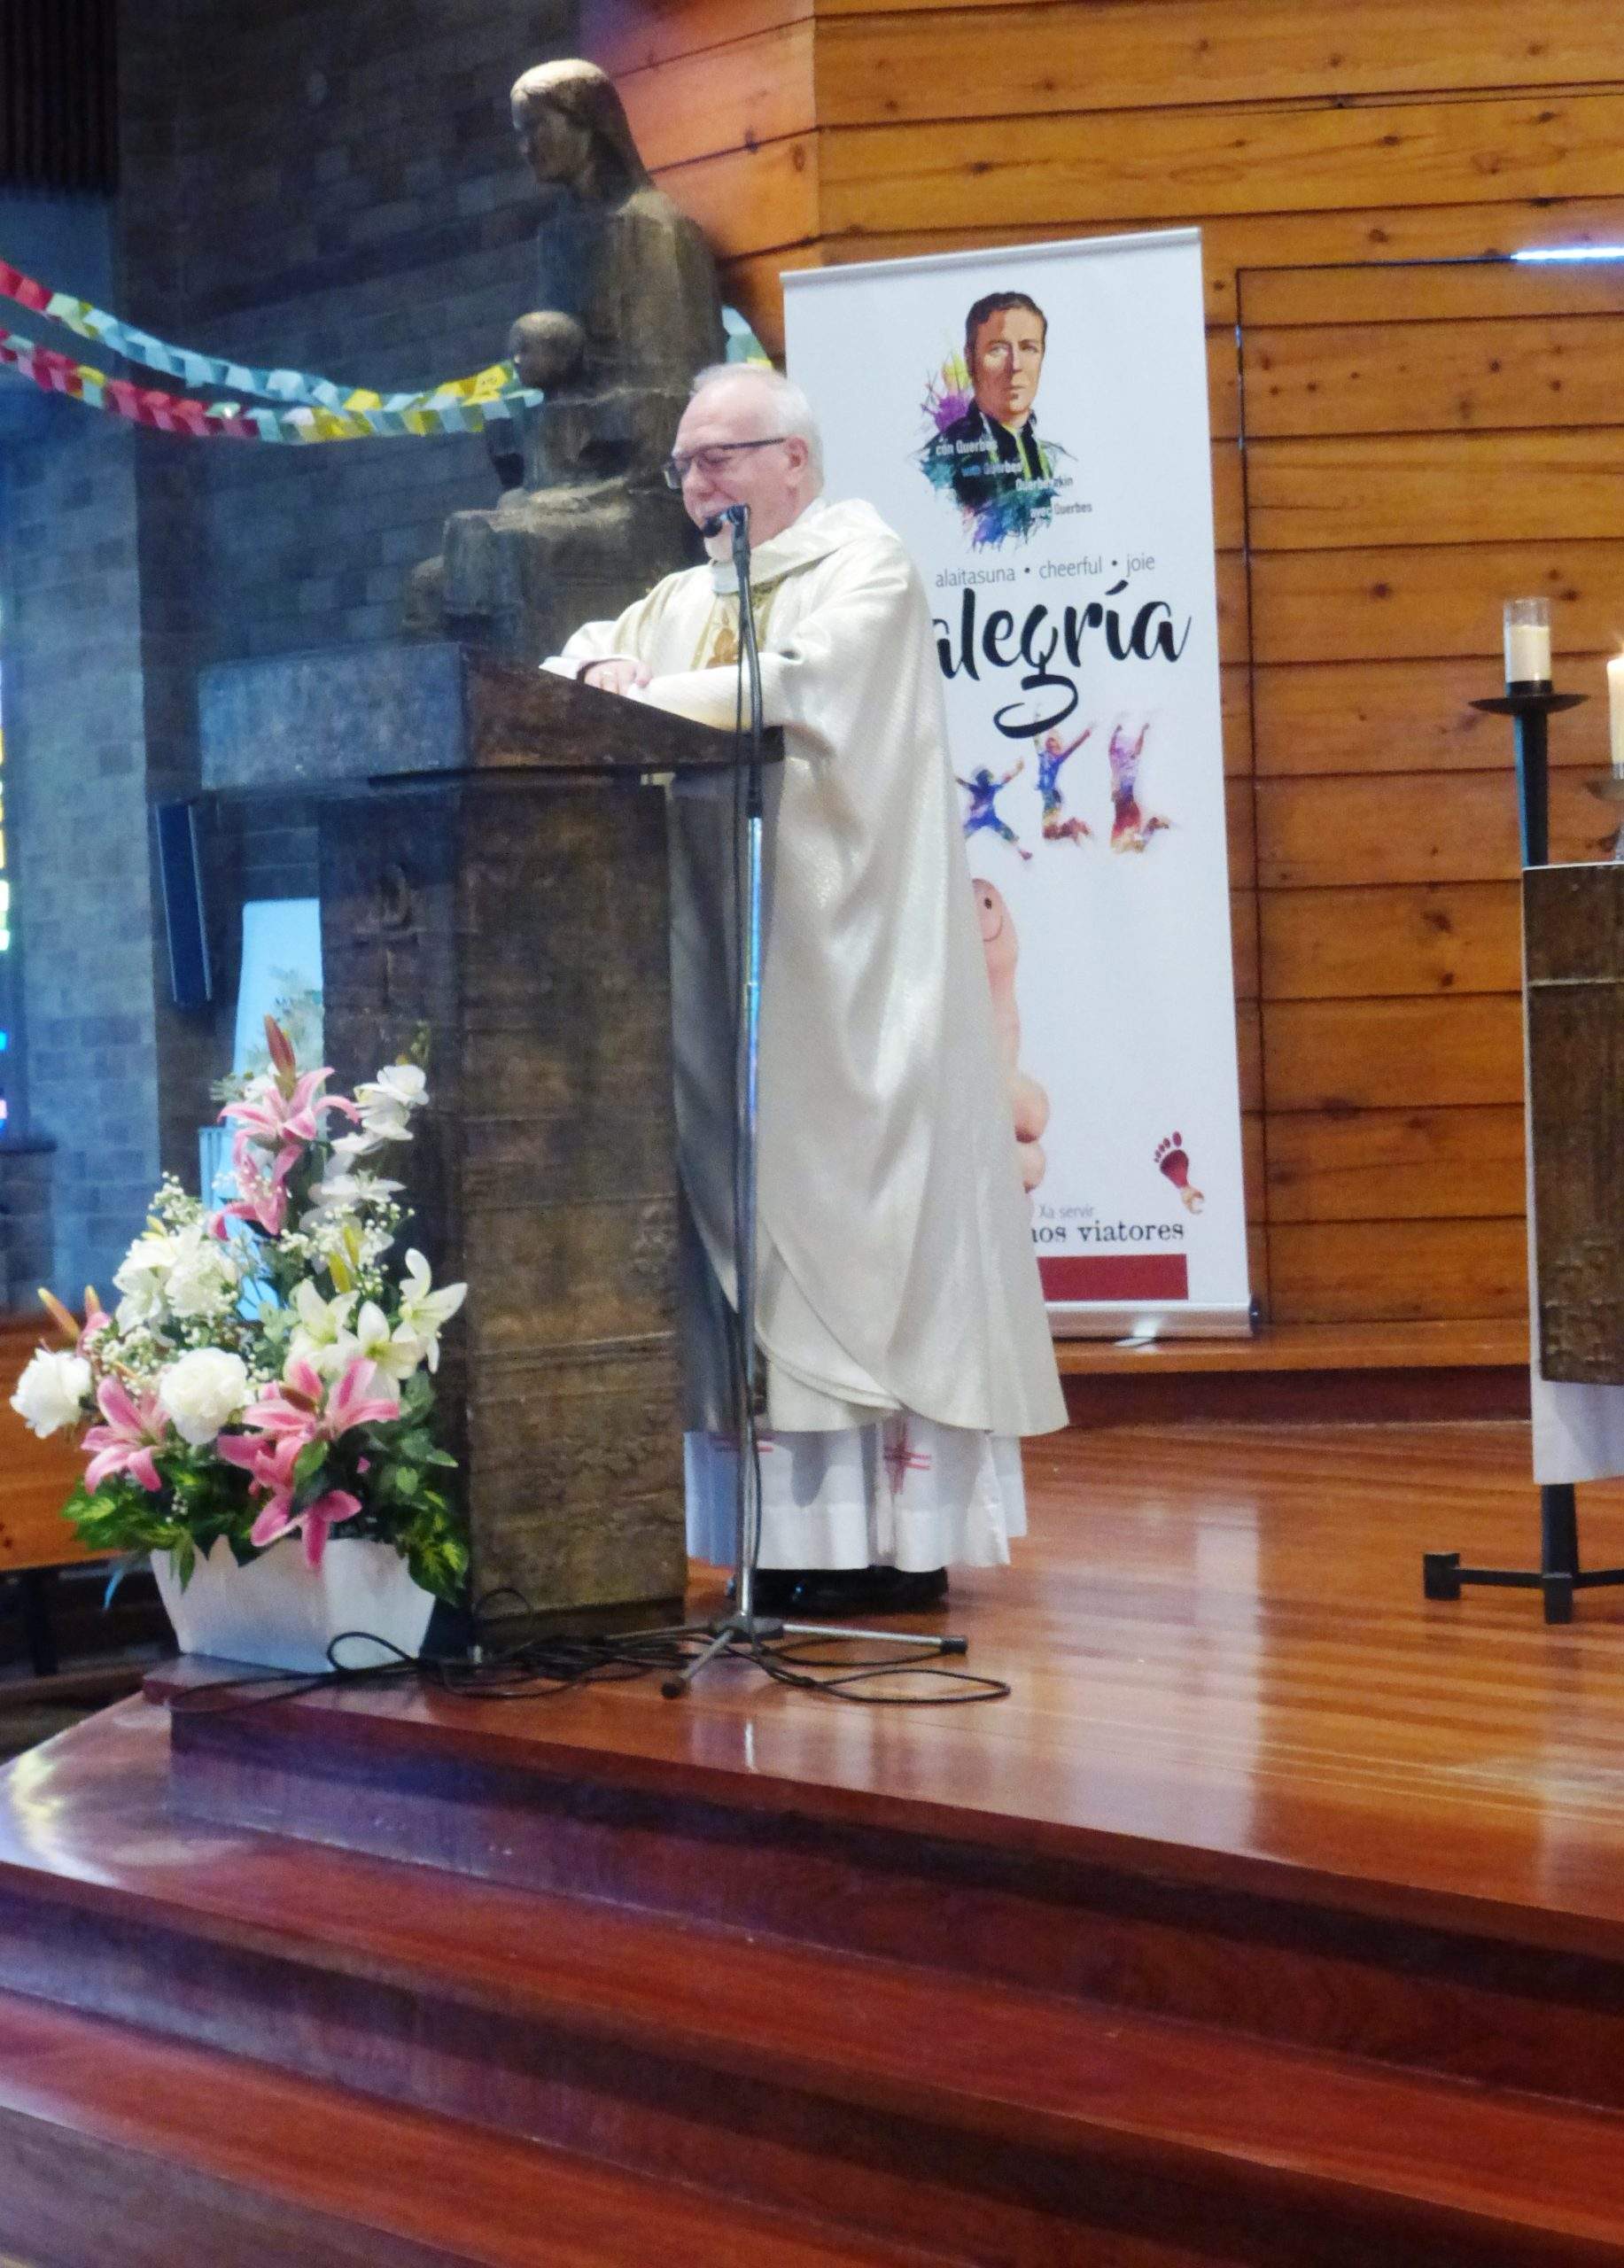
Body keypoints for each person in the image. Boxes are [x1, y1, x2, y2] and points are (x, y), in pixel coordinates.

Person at [546, 365, 1066, 1614]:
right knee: (748, 1237)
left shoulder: (864, 567)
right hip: (731, 978)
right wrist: (602, 675)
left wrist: (637, 696)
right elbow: (577, 659)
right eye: (684, 464)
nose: (697, 483)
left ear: (795, 459)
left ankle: (894, 1542)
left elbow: (793, 688)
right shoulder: (683, 599)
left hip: (852, 981)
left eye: (720, 457)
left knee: (867, 1233)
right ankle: (782, 1545)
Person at [923, 291, 1057, 517]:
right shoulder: (939, 463)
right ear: (970, 359)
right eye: (997, 349)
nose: (1015, 365)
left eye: (1028, 348)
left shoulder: (1057, 460)